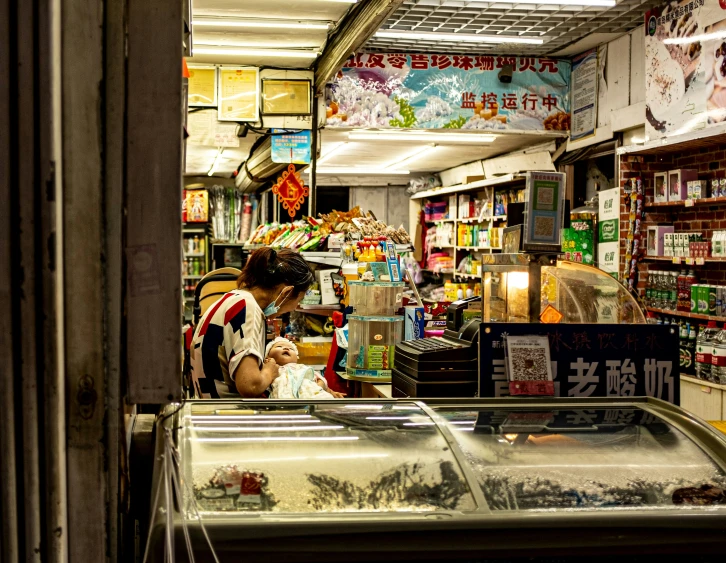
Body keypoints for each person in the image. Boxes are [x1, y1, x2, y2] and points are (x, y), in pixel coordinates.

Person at [190, 248, 314, 399]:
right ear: (286, 292)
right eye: (298, 300)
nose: (294, 307)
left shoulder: (234, 299)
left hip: (211, 408)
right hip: (228, 412)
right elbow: (250, 385)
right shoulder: (248, 308)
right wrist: (269, 371)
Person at [265, 337, 346, 399]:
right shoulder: (271, 369)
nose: (286, 348)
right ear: (268, 356)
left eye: (291, 349)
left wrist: (331, 392)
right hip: (284, 400)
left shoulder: (302, 368)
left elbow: (321, 381)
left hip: (311, 398)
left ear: (297, 358)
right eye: (279, 346)